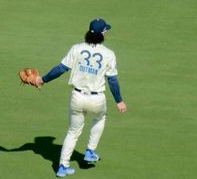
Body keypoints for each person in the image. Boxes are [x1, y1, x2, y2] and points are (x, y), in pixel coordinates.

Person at [33, 18, 127, 177]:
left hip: (77, 97)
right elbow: (112, 80)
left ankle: (62, 167)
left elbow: (61, 68)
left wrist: (41, 80)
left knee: (73, 131)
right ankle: (90, 150)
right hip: (97, 99)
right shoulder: (109, 54)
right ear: (103, 34)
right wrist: (119, 101)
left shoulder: (76, 48)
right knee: (100, 118)